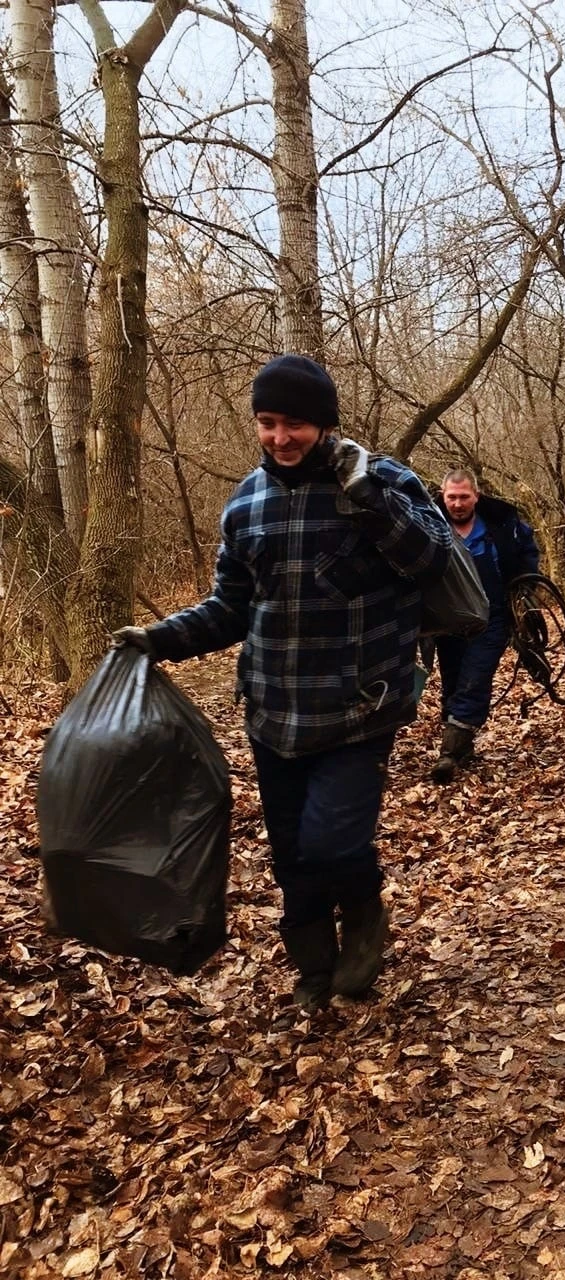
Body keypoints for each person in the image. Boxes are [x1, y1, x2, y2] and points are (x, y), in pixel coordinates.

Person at [113, 355, 451, 1010]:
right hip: (273, 712)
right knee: (293, 854)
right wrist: (157, 640)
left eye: (294, 423)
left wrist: (370, 501)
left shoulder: (383, 480)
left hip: (360, 709)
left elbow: (434, 559)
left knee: (332, 842)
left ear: (324, 425)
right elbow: (230, 609)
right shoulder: (246, 504)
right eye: (267, 423)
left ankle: (362, 916)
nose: (279, 438)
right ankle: (313, 970)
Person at [431, 468, 540, 782]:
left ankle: (449, 752)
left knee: (475, 678)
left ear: (475, 496)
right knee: (453, 682)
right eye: (452, 497)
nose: (457, 503)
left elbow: (527, 553)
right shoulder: (428, 523)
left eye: (464, 496)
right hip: (448, 620)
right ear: (443, 496)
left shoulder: (502, 524)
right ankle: (463, 747)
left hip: (492, 618)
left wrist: (524, 591)